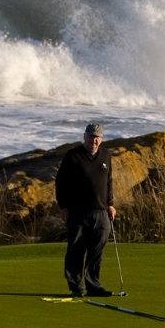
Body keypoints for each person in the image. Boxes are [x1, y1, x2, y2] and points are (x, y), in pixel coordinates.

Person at [56, 123, 117, 298]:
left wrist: (110, 204)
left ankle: (93, 285)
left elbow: (109, 181)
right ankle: (76, 287)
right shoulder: (73, 156)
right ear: (85, 137)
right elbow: (61, 183)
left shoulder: (106, 155)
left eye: (97, 137)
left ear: (101, 139)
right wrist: (63, 206)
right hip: (77, 212)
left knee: (96, 250)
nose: (94, 140)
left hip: (100, 211)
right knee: (76, 249)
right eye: (91, 137)